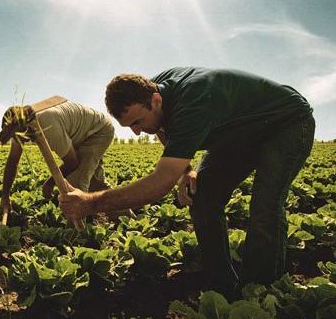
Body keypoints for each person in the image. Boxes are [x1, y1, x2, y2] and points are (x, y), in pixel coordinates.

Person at [59, 68, 315, 297]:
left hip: (286, 124)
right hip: (236, 135)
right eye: (129, 127)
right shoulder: (154, 91)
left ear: (156, 101)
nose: (137, 131)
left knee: (265, 204)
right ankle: (222, 286)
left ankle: (262, 292)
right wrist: (187, 171)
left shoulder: (194, 101)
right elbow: (161, 129)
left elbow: (160, 184)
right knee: (202, 197)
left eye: (138, 122)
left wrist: (91, 203)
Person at [0, 100, 114, 224]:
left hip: (98, 131)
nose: (19, 141)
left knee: (76, 182)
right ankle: (128, 215)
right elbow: (13, 161)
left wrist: (50, 183)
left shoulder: (46, 126)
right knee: (96, 184)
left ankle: (76, 235)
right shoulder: (21, 128)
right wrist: (5, 196)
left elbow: (72, 162)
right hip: (82, 134)